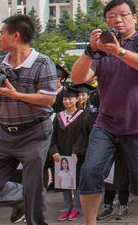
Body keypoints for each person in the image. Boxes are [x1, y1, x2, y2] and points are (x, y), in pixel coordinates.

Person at [69, 0, 138, 225]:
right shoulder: (101, 50)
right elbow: (77, 79)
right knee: (91, 172)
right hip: (105, 124)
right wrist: (89, 50)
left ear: (134, 17)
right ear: (105, 21)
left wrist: (119, 51)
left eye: (123, 14)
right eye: (111, 16)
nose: (118, 20)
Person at [0, 14, 61, 225]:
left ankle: (34, 212)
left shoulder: (42, 62)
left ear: (15, 35)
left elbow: (49, 97)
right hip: (4, 132)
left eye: (1, 34)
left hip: (34, 132)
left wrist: (18, 95)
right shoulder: (0, 63)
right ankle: (21, 198)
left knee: (33, 184)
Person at [49, 86, 92, 221]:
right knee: (64, 182)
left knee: (77, 183)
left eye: (70, 99)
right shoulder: (58, 117)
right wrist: (54, 152)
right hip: (60, 155)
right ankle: (67, 207)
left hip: (76, 156)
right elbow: (53, 137)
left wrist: (76, 152)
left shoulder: (83, 116)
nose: (67, 101)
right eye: (65, 99)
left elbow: (83, 136)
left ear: (76, 99)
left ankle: (77, 208)